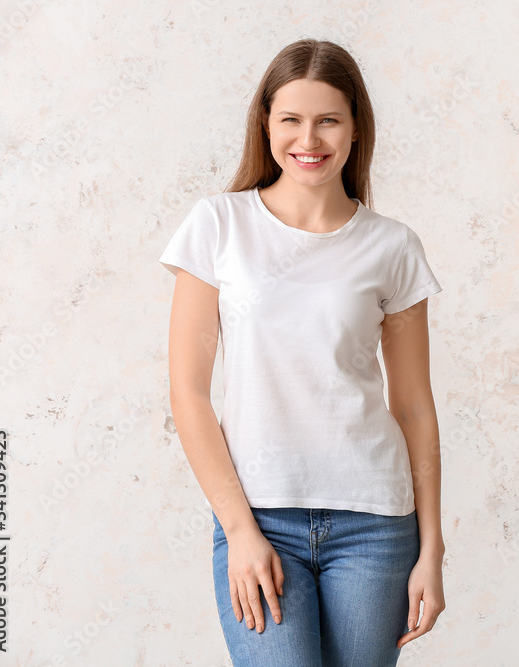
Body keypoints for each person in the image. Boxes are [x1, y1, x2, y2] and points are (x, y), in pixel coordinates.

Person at [158, 38, 446, 666]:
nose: (307, 138)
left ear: (354, 129)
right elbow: (187, 391)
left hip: (376, 525)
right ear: (266, 125)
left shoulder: (393, 247)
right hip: (261, 518)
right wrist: (238, 529)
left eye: (327, 120)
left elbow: (415, 408)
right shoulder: (218, 226)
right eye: (290, 119)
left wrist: (432, 550)